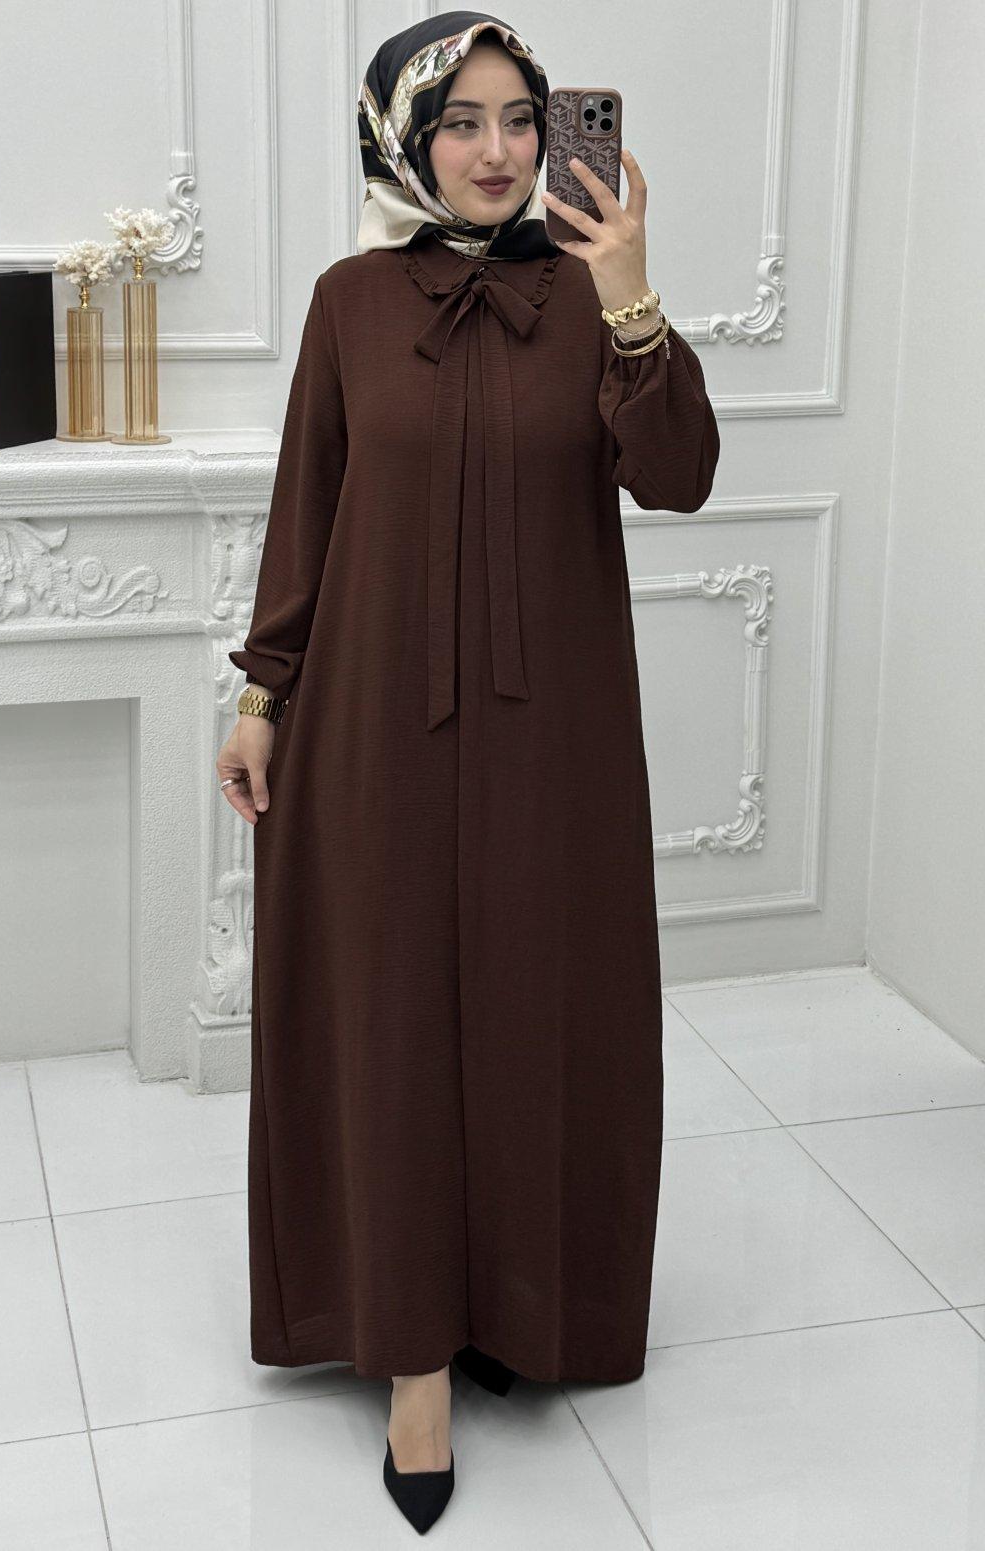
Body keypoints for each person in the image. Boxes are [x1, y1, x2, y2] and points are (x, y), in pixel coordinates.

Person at [216, 10, 720, 1534]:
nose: (496, 152)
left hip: (555, 726)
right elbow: (309, 503)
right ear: (406, 138)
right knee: (388, 1017)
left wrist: (630, 297)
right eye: (460, 122)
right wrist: (263, 694)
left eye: (520, 118)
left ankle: (520, 1303)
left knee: (535, 1008)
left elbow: (679, 479)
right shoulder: (350, 302)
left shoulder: (593, 295)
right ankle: (412, 1359)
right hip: (372, 718)